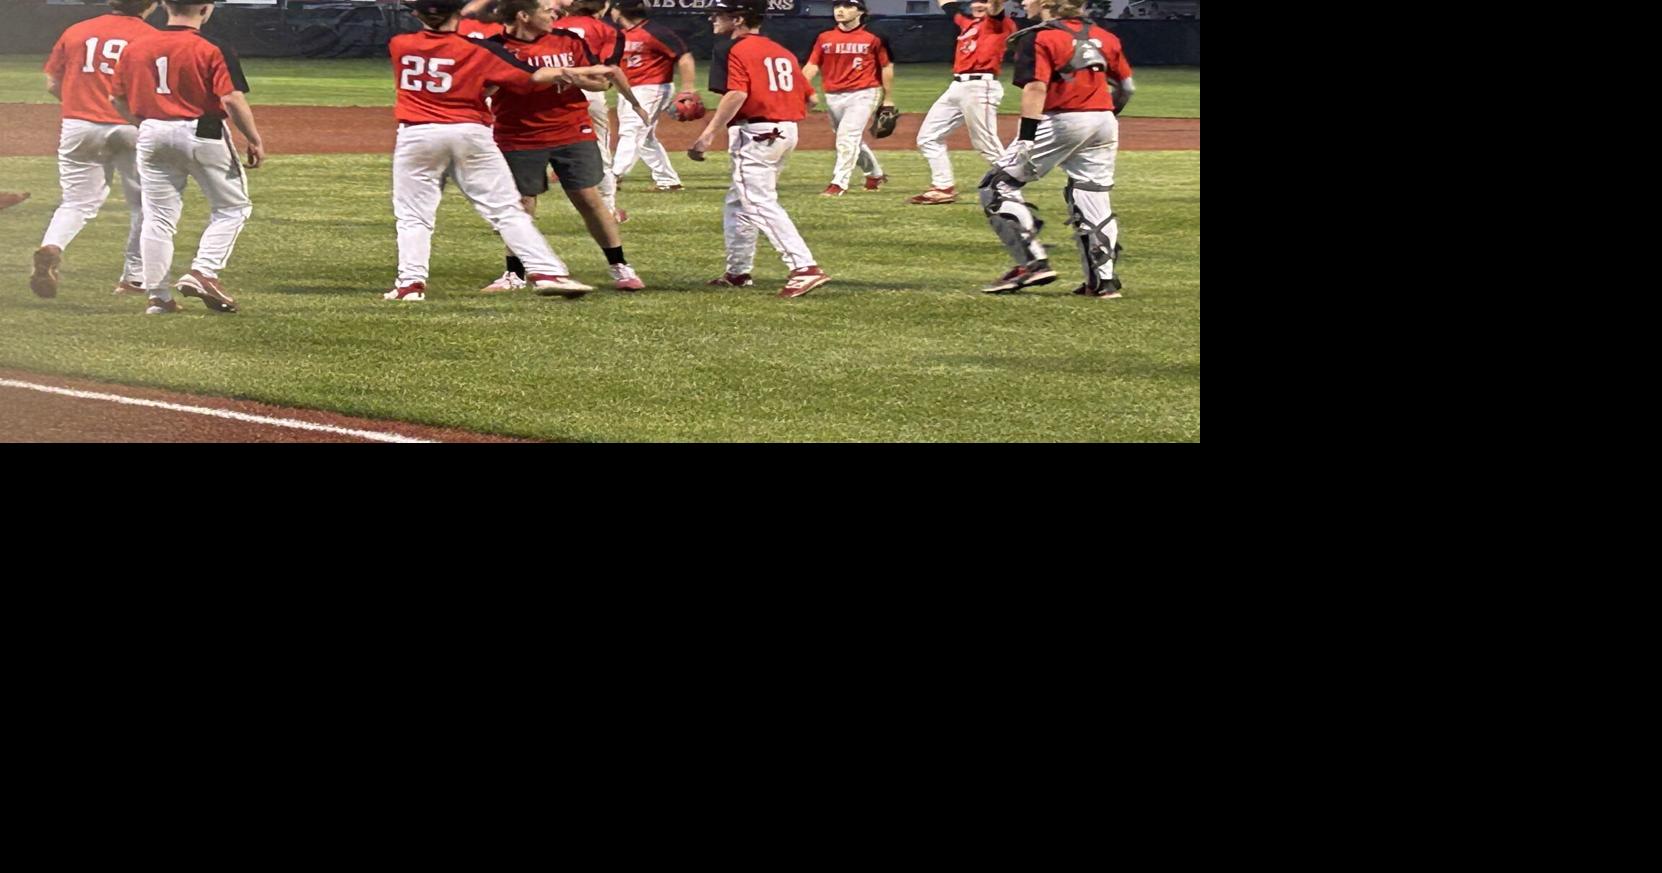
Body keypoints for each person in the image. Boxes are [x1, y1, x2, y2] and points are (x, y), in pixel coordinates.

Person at [384, 0, 600, 301]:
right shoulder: (480, 50)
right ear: (457, 13)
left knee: (414, 215)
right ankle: (547, 272)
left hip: (417, 133)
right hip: (470, 132)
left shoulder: (400, 44)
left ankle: (410, 285)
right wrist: (582, 70)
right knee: (506, 209)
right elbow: (532, 77)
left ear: (417, 15)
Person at [480, 0, 648, 293]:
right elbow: (484, 88)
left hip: (571, 129)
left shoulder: (568, 40)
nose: (554, 15)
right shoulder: (495, 47)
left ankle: (619, 266)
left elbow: (600, 83)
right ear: (523, 15)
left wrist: (575, 76)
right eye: (546, 10)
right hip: (518, 133)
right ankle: (515, 273)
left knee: (588, 199)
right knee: (522, 203)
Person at [111, 0, 263, 315]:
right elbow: (231, 98)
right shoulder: (212, 46)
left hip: (152, 130)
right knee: (233, 208)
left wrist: (146, 125)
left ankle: (159, 298)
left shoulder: (138, 45)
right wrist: (253, 138)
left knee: (157, 216)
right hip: (203, 129)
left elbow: (116, 97)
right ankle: (203, 271)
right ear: (206, 9)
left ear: (165, 5)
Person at [979, 0, 1134, 297]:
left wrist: (1026, 138)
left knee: (996, 186)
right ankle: (1102, 281)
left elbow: (1036, 88)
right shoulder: (1107, 36)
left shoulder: (1041, 35)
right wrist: (1105, 117)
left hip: (1063, 118)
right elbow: (1126, 87)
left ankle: (1032, 264)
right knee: (1093, 197)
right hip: (1103, 119)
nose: (1023, 2)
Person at [688, 0, 830, 298]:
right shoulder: (782, 51)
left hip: (755, 133)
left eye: (720, 14)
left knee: (757, 202)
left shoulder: (731, 48)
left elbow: (737, 92)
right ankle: (738, 272)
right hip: (785, 131)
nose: (713, 18)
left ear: (738, 20)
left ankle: (804, 267)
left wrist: (708, 133)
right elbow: (812, 98)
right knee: (739, 202)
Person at [31, 1, 157, 300]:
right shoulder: (151, 37)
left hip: (79, 126)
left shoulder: (77, 31)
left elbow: (52, 83)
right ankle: (133, 278)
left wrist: (80, 104)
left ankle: (51, 248)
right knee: (145, 205)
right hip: (131, 126)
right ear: (151, 5)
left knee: (76, 203)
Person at [907, 0, 1014, 205]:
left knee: (986, 143)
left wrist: (994, 3)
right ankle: (943, 187)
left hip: (981, 86)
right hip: (956, 86)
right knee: (928, 138)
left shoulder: (997, 23)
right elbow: (947, 4)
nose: (981, 4)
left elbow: (996, 6)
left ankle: (1011, 184)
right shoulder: (967, 23)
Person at [800, 0, 892, 196]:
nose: (840, 10)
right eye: (837, 6)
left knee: (846, 137)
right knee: (851, 139)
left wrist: (888, 97)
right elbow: (812, 65)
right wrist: (799, 88)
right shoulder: (824, 37)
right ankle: (875, 174)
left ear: (860, 12)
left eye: (847, 6)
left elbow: (885, 67)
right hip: (833, 94)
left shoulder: (873, 37)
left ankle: (838, 183)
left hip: (864, 92)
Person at [607, 0, 693, 193]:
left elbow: (684, 56)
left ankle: (614, 175)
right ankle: (668, 180)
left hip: (651, 88)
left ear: (618, 11)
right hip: (631, 89)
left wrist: (688, 88)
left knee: (632, 130)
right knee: (645, 137)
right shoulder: (623, 34)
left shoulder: (655, 31)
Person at [552, 0, 627, 222]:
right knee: (600, 149)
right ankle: (608, 209)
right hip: (589, 90)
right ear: (601, 6)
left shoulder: (553, 25)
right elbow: (607, 69)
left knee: (528, 149)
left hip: (550, 88)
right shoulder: (607, 29)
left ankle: (512, 214)